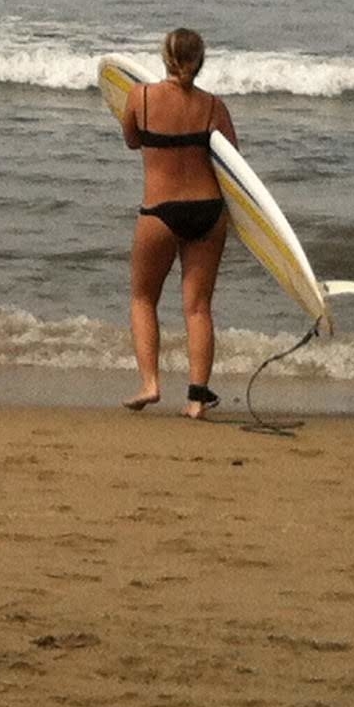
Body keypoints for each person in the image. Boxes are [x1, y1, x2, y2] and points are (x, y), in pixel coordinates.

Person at [115, 27, 234, 417]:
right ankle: (197, 398)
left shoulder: (142, 98)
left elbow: (132, 141)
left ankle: (150, 383)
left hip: (159, 210)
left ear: (164, 58)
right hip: (208, 210)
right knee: (198, 307)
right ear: (200, 61)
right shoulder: (214, 106)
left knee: (142, 298)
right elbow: (233, 164)